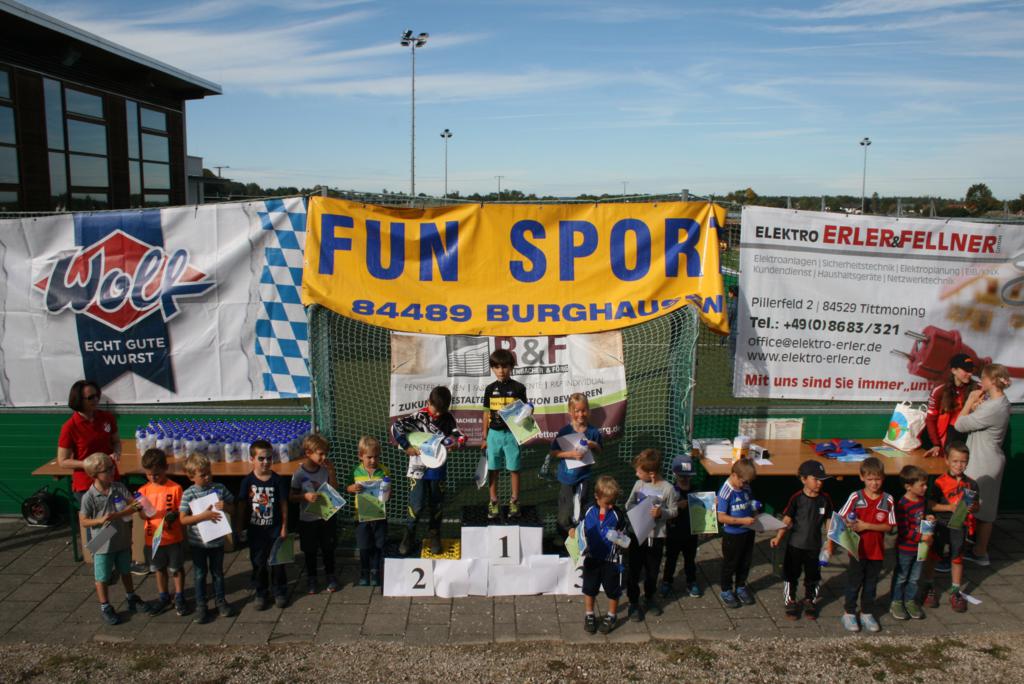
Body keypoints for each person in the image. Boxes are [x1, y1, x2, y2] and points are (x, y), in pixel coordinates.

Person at [391, 386, 465, 555]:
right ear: (428, 402)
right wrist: (406, 446)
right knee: (417, 505)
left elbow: (461, 436)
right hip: (417, 467)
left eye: (441, 411)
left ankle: (434, 534)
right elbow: (395, 427)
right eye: (434, 409)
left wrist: (456, 444)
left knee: (436, 504)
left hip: (437, 468)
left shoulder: (448, 418)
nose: (437, 414)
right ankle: (409, 535)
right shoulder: (418, 416)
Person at [78, 452, 151, 625]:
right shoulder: (89, 496)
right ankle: (105, 606)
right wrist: (99, 521)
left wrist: (119, 514)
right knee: (102, 577)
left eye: (112, 467)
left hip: (122, 538)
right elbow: (84, 520)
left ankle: (131, 597)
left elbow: (135, 505)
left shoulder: (118, 487)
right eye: (107, 470)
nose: (112, 471)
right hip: (102, 541)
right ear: (94, 474)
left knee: (125, 570)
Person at [955, 363, 1011, 565]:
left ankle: (964, 553)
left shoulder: (993, 407)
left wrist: (970, 401)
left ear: (992, 381)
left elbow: (960, 424)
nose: (981, 381)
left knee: (966, 508)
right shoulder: (1001, 402)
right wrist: (978, 407)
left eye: (984, 378)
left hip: (982, 462)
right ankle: (978, 550)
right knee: (985, 509)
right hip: (990, 459)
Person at [920, 442, 980, 614]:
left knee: (957, 557)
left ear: (967, 462)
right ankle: (928, 586)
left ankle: (955, 591)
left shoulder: (972, 484)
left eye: (963, 461)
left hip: (959, 526)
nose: (959, 465)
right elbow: (930, 504)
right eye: (955, 461)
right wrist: (949, 507)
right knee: (933, 555)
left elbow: (977, 507)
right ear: (946, 460)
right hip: (940, 524)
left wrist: (973, 508)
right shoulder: (939, 482)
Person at [838, 457, 896, 633]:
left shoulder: (888, 499)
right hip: (857, 550)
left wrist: (866, 526)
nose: (874, 483)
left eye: (877, 479)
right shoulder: (855, 497)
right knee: (854, 583)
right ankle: (849, 613)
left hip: (876, 552)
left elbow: (889, 526)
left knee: (871, 585)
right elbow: (841, 517)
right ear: (862, 477)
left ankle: (866, 613)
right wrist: (849, 523)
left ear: (883, 478)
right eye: (870, 479)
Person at [770, 460, 833, 621]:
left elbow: (829, 521)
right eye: (816, 479)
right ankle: (790, 600)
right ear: (803, 479)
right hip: (795, 545)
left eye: (822, 480)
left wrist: (829, 542)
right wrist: (778, 537)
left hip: (814, 546)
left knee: (813, 576)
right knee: (791, 574)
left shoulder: (825, 499)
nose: (819, 483)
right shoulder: (797, 498)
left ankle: (810, 600)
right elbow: (787, 519)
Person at [179, 453, 236, 623]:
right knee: (199, 574)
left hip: (217, 541)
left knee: (218, 573)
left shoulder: (219, 488)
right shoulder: (189, 494)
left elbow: (233, 507)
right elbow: (183, 519)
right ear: (191, 477)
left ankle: (221, 601)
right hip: (198, 543)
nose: (207, 477)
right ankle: (201, 605)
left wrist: (226, 507)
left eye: (209, 473)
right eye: (203, 475)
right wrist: (203, 516)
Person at [625, 449, 677, 621]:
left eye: (639, 472)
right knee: (634, 570)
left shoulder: (668, 489)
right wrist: (639, 511)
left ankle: (649, 597)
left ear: (652, 473)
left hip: (656, 537)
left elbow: (674, 510)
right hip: (637, 534)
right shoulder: (638, 485)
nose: (636, 474)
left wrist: (661, 513)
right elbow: (628, 504)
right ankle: (633, 602)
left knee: (652, 571)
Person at [238, 439, 289, 610]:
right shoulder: (247, 482)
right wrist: (240, 527)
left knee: (278, 563)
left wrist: (284, 526)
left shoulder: (278, 481)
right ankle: (261, 592)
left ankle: (279, 591)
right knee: (259, 563)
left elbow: (283, 504)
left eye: (269, 458)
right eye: (261, 458)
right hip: (256, 531)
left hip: (275, 529)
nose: (266, 462)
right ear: (252, 459)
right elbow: (242, 505)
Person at [138, 448, 187, 617]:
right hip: (153, 538)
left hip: (173, 537)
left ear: (165, 468)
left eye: (156, 474)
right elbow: (141, 515)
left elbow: (182, 510)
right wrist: (143, 512)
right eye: (149, 475)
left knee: (176, 568)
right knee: (158, 569)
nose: (153, 478)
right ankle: (163, 596)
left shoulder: (175, 488)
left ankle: (179, 595)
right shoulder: (143, 491)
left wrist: (174, 516)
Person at [481, 349, 528, 520]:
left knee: (514, 469)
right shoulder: (489, 389)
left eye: (505, 366)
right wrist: (484, 437)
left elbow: (524, 412)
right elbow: (486, 413)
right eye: (497, 367)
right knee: (493, 469)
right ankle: (493, 501)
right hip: (493, 435)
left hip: (512, 435)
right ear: (492, 368)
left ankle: (514, 500)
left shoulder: (519, 388)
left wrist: (529, 411)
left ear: (511, 367)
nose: (501, 370)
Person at [290, 434, 340, 593]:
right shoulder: (299, 474)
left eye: (326, 453)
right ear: (308, 453)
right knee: (310, 550)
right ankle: (312, 578)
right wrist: (304, 497)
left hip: (326, 516)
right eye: (321, 454)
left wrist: (331, 472)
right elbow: (291, 496)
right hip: (308, 519)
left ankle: (330, 575)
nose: (324, 457)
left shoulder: (325, 470)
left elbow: (334, 490)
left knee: (328, 548)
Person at [57, 380, 121, 503]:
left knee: (119, 513)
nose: (96, 400)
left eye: (97, 395)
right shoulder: (70, 427)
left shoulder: (107, 417)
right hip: (87, 484)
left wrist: (116, 452)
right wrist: (88, 464)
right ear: (78, 400)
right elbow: (63, 461)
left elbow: (116, 442)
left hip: (111, 478)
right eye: (90, 397)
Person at [550, 393, 603, 540]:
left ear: (588, 411)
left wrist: (593, 444)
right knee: (565, 510)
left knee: (581, 507)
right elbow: (554, 452)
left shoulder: (593, 432)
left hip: (584, 477)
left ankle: (581, 539)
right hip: (566, 478)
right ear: (570, 412)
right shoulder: (565, 431)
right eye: (576, 411)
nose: (580, 414)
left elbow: (600, 450)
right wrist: (571, 454)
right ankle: (563, 537)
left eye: (583, 410)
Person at [580, 475, 627, 635]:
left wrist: (619, 537)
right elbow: (580, 526)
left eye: (613, 502)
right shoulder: (588, 510)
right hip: (591, 557)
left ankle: (611, 615)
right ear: (597, 497)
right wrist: (573, 531)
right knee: (589, 588)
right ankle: (589, 614)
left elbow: (624, 536)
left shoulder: (617, 514)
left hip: (610, 560)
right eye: (607, 503)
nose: (611, 506)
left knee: (612, 590)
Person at [890, 465, 932, 621]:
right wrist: (921, 537)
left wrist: (928, 519)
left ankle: (910, 601)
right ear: (908, 486)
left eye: (925, 484)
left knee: (915, 577)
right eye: (922, 485)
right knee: (902, 576)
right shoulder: (902, 505)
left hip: (920, 548)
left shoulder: (922, 501)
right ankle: (896, 601)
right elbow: (903, 530)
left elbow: (921, 518)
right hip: (905, 549)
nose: (925, 487)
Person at [347, 436, 390, 586]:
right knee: (364, 546)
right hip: (362, 517)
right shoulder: (356, 471)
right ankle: (364, 572)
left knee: (379, 545)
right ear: (361, 456)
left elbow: (388, 492)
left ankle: (375, 572)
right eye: (369, 457)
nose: (373, 460)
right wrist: (352, 488)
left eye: (376, 457)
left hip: (379, 515)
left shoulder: (384, 471)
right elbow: (348, 487)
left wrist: (386, 492)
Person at [716, 459, 758, 609]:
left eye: (747, 482)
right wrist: (742, 520)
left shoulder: (746, 487)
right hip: (733, 534)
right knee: (730, 563)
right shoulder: (726, 492)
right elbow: (721, 517)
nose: (745, 485)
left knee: (745, 561)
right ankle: (726, 589)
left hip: (748, 531)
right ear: (734, 475)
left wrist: (755, 512)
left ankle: (740, 586)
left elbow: (750, 503)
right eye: (743, 482)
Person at [660, 454, 702, 599]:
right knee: (671, 559)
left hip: (691, 532)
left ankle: (691, 581)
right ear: (675, 474)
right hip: (674, 532)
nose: (684, 479)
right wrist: (677, 506)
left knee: (690, 559)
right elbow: (663, 512)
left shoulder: (696, 490)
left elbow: (703, 510)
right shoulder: (671, 491)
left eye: (687, 476)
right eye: (681, 476)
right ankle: (667, 581)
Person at [924, 354, 978, 457]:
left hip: (970, 434)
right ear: (953, 370)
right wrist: (936, 444)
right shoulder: (940, 389)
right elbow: (930, 419)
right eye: (966, 370)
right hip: (948, 437)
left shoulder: (978, 388)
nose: (970, 374)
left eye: (971, 370)